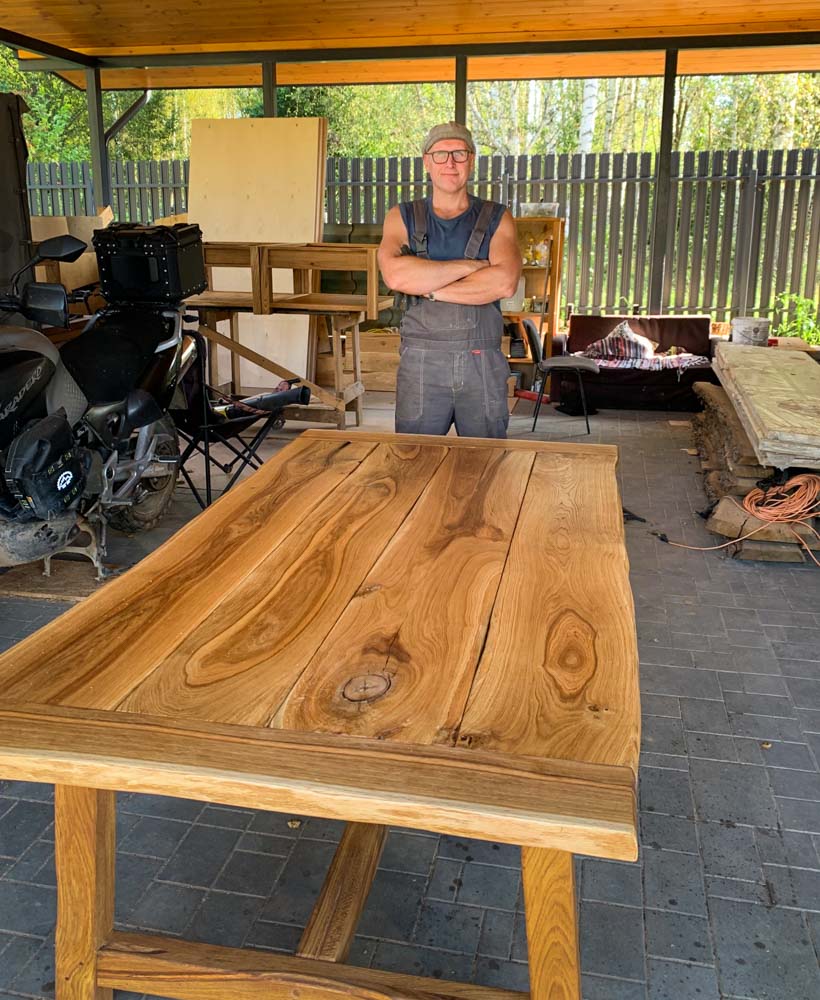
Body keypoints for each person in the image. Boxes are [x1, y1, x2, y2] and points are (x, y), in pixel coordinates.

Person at [378, 122, 521, 438]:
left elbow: (504, 283)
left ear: (472, 160)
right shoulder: (401, 216)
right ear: (426, 162)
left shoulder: (498, 217)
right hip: (421, 365)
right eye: (440, 154)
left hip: (482, 364)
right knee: (416, 459)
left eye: (459, 153)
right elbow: (395, 274)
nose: (450, 163)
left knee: (485, 462)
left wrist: (429, 289)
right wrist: (473, 267)